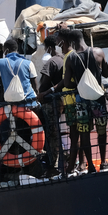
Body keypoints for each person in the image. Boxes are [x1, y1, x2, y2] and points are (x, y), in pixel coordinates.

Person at [59, 27, 108, 174]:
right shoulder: (98, 52)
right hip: (98, 98)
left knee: (84, 133)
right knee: (102, 131)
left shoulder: (71, 58)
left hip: (81, 100)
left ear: (73, 42)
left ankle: (90, 167)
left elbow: (67, 83)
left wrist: (82, 85)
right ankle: (103, 162)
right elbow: (106, 73)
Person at [36, 35, 65, 174]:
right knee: (57, 133)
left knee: (51, 134)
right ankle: (60, 162)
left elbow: (43, 85)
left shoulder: (51, 62)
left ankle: (53, 165)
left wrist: (40, 94)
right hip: (61, 101)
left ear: (48, 47)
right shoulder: (64, 59)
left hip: (49, 103)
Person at [0, 38, 38, 106]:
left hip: (12, 103)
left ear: (6, 50)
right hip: (29, 102)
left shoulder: (0, 63)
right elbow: (35, 86)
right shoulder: (28, 63)